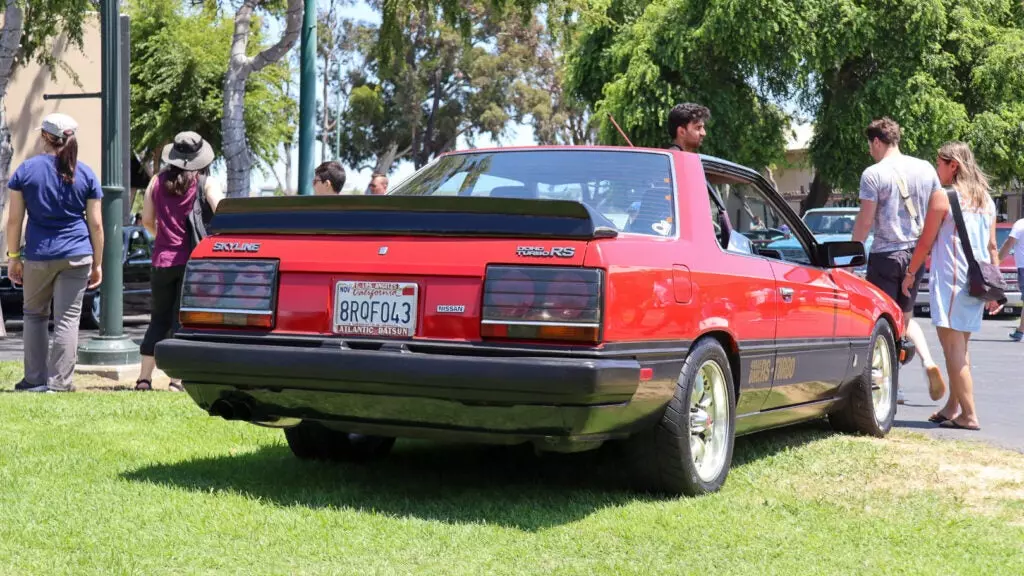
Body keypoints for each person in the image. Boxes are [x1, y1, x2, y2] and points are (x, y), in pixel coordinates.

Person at [901, 141, 1000, 431]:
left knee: (954, 351)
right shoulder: (987, 200)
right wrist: (996, 289)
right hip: (977, 283)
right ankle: (952, 407)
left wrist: (910, 272)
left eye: (939, 162)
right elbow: (993, 246)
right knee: (961, 348)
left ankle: (969, 415)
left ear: (952, 165)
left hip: (951, 281)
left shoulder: (943, 197)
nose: (937, 168)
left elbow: (925, 242)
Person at [5, 113, 103, 392]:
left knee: (34, 315)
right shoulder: (85, 173)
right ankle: (60, 383)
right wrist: (97, 263)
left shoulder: (25, 171)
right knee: (67, 318)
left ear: (44, 137)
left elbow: (14, 220)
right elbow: (96, 224)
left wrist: (13, 258)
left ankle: (34, 380)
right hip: (77, 254)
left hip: (38, 255)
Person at [852, 117, 946, 405]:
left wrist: (851, 251)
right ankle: (928, 360)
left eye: (871, 145)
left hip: (884, 255)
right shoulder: (925, 168)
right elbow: (937, 209)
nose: (870, 151)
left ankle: (893, 386)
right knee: (905, 318)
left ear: (877, 142)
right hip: (915, 257)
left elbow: (866, 220)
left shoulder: (873, 174)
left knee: (881, 322)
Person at [135, 131, 224, 391]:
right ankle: (175, 381)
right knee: (181, 320)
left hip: (162, 261)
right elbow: (222, 213)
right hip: (192, 262)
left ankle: (143, 379)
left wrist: (163, 237)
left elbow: (148, 221)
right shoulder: (206, 183)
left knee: (158, 319)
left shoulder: (156, 182)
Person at [999, 216, 1024, 341]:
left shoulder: (1020, 224)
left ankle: (1020, 331)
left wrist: (997, 261)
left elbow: (1009, 243)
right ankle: (1020, 330)